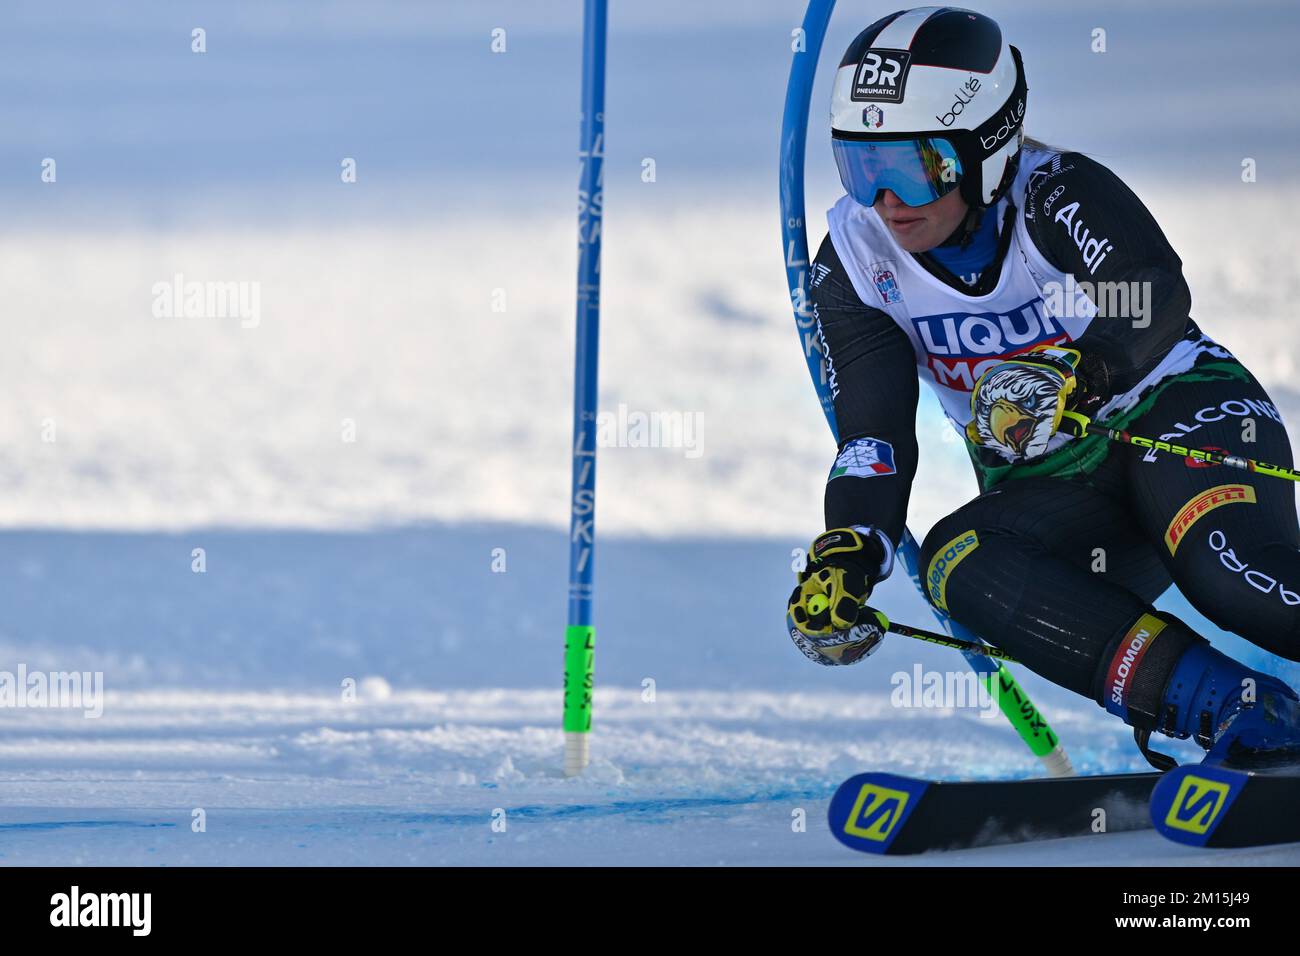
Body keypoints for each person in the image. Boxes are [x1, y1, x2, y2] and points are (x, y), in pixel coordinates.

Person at [785, 5, 1300, 768]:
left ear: (986, 149)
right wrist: (853, 546)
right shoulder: (858, 261)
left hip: (1172, 421)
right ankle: (1244, 712)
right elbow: (874, 432)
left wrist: (1080, 374)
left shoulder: (1056, 193)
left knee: (1227, 573)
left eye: (912, 168)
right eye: (863, 168)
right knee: (956, 562)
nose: (888, 202)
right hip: (1056, 486)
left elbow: (1151, 293)